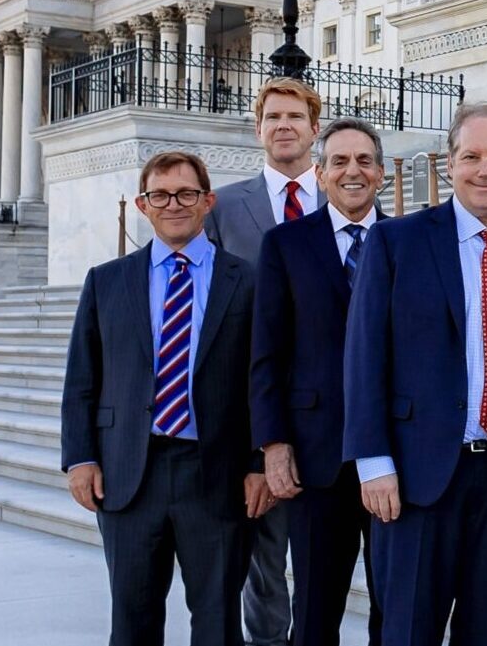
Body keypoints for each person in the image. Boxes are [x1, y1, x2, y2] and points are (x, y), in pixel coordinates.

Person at [343, 103, 487, 646]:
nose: (484, 169)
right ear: (450, 164)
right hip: (419, 480)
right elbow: (363, 355)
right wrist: (372, 462)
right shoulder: (396, 242)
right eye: (471, 156)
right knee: (408, 631)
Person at [60, 151, 271, 646]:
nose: (174, 204)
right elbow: (81, 379)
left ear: (207, 202)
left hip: (217, 476)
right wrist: (81, 457)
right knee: (132, 623)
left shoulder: (248, 281)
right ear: (143, 204)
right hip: (129, 474)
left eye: (187, 193)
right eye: (161, 195)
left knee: (219, 623)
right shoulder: (106, 281)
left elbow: (264, 380)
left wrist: (260, 460)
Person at [250, 118, 387, 646]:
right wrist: (274, 444)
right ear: (321, 173)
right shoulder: (285, 245)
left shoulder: (405, 240)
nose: (353, 171)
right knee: (314, 611)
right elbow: (266, 353)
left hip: (393, 459)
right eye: (340, 162)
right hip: (313, 459)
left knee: (394, 606)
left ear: (380, 174)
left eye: (364, 161)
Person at [205, 76, 326, 645]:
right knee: (264, 556)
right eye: (273, 117)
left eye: (295, 117)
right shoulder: (224, 207)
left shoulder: (347, 196)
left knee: (324, 559)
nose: (284, 126)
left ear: (313, 128)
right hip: (256, 411)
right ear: (258, 129)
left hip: (331, 414)